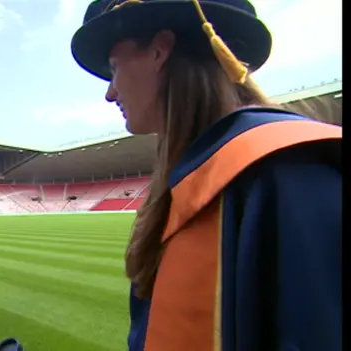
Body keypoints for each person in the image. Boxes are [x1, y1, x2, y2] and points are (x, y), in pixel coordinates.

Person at [70, 1, 341, 350]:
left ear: (158, 51)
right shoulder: (188, 178)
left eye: (113, 69)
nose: (110, 93)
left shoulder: (292, 171)